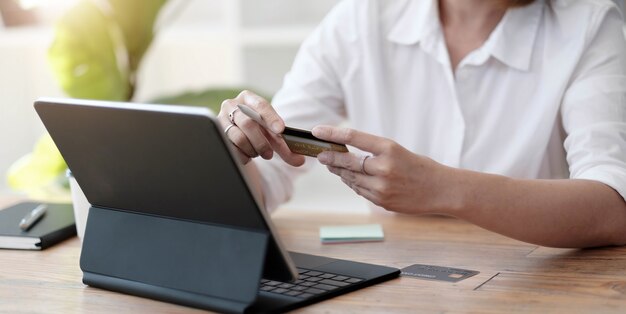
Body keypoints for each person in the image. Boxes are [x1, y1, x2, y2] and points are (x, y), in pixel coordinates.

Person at [218, 0, 626, 248]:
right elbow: (270, 172)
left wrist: (441, 188)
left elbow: (614, 208)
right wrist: (234, 152)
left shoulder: (589, 28)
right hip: (402, 282)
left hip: (535, 280)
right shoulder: (362, 19)